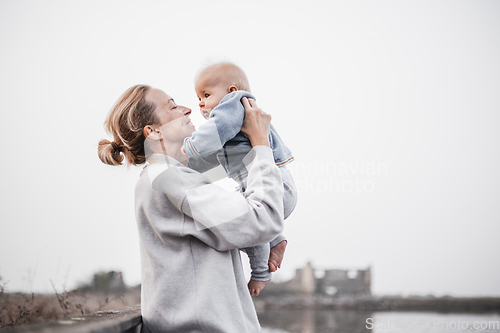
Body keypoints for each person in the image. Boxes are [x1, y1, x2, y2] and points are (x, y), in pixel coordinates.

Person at [97, 84, 285, 332]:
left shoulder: (167, 177)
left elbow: (244, 221)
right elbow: (262, 221)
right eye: (172, 107)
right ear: (153, 131)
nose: (187, 109)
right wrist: (260, 143)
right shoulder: (168, 178)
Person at [182, 62, 297, 296]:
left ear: (231, 91)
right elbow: (212, 159)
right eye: (199, 98)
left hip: (274, 186)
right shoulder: (235, 118)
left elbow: (212, 134)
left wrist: (190, 147)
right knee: (234, 213)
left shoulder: (232, 106)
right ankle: (275, 240)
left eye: (206, 94)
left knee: (239, 222)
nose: (201, 103)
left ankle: (260, 272)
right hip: (270, 184)